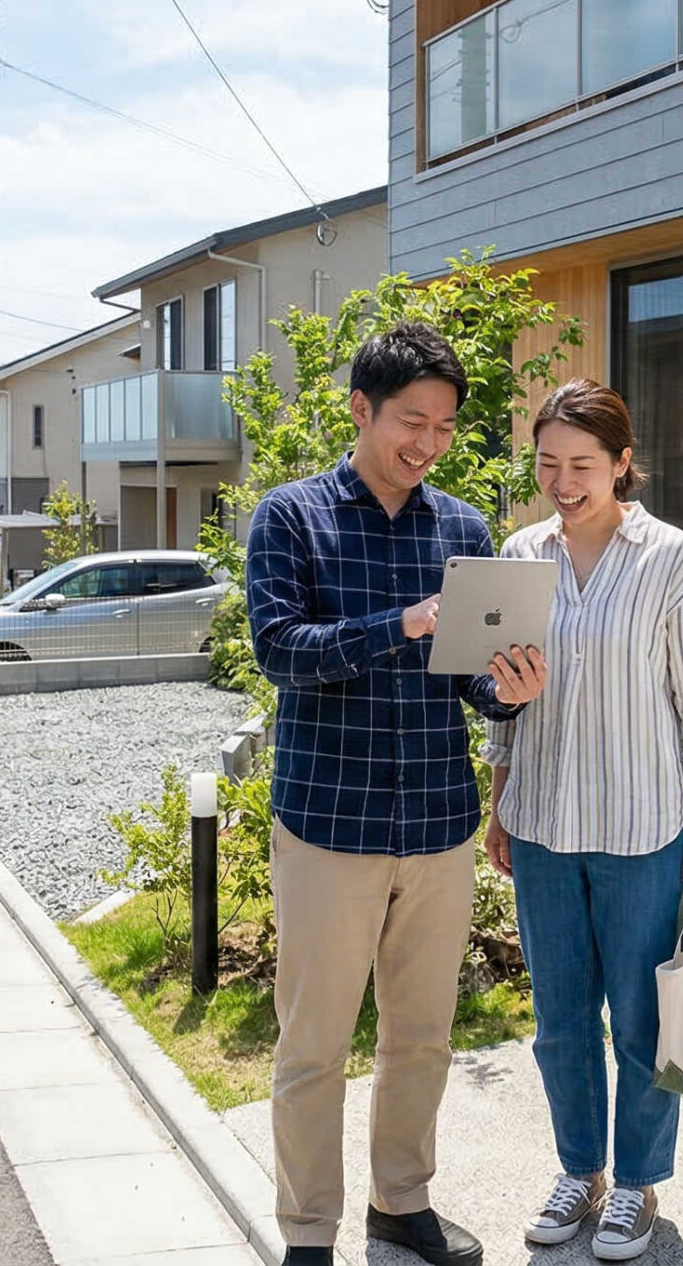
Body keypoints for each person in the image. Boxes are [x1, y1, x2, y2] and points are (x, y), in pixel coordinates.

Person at [246, 320, 550, 1266]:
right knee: (313, 1047)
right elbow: (278, 651)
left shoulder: (462, 529)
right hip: (327, 822)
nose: (427, 441)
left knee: (420, 1036)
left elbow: (466, 676)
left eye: (446, 426)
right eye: (411, 420)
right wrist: (400, 621)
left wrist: (508, 685)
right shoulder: (291, 517)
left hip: (437, 821)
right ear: (360, 410)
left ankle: (400, 1202)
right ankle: (307, 1232)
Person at [482, 379, 683, 1262]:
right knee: (558, 1019)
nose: (563, 479)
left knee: (639, 1018)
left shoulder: (670, 558)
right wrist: (499, 794)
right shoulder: (519, 553)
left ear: (622, 464)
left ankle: (637, 1183)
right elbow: (496, 692)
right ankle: (579, 1168)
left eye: (582, 464)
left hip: (644, 826)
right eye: (548, 462)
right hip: (544, 819)